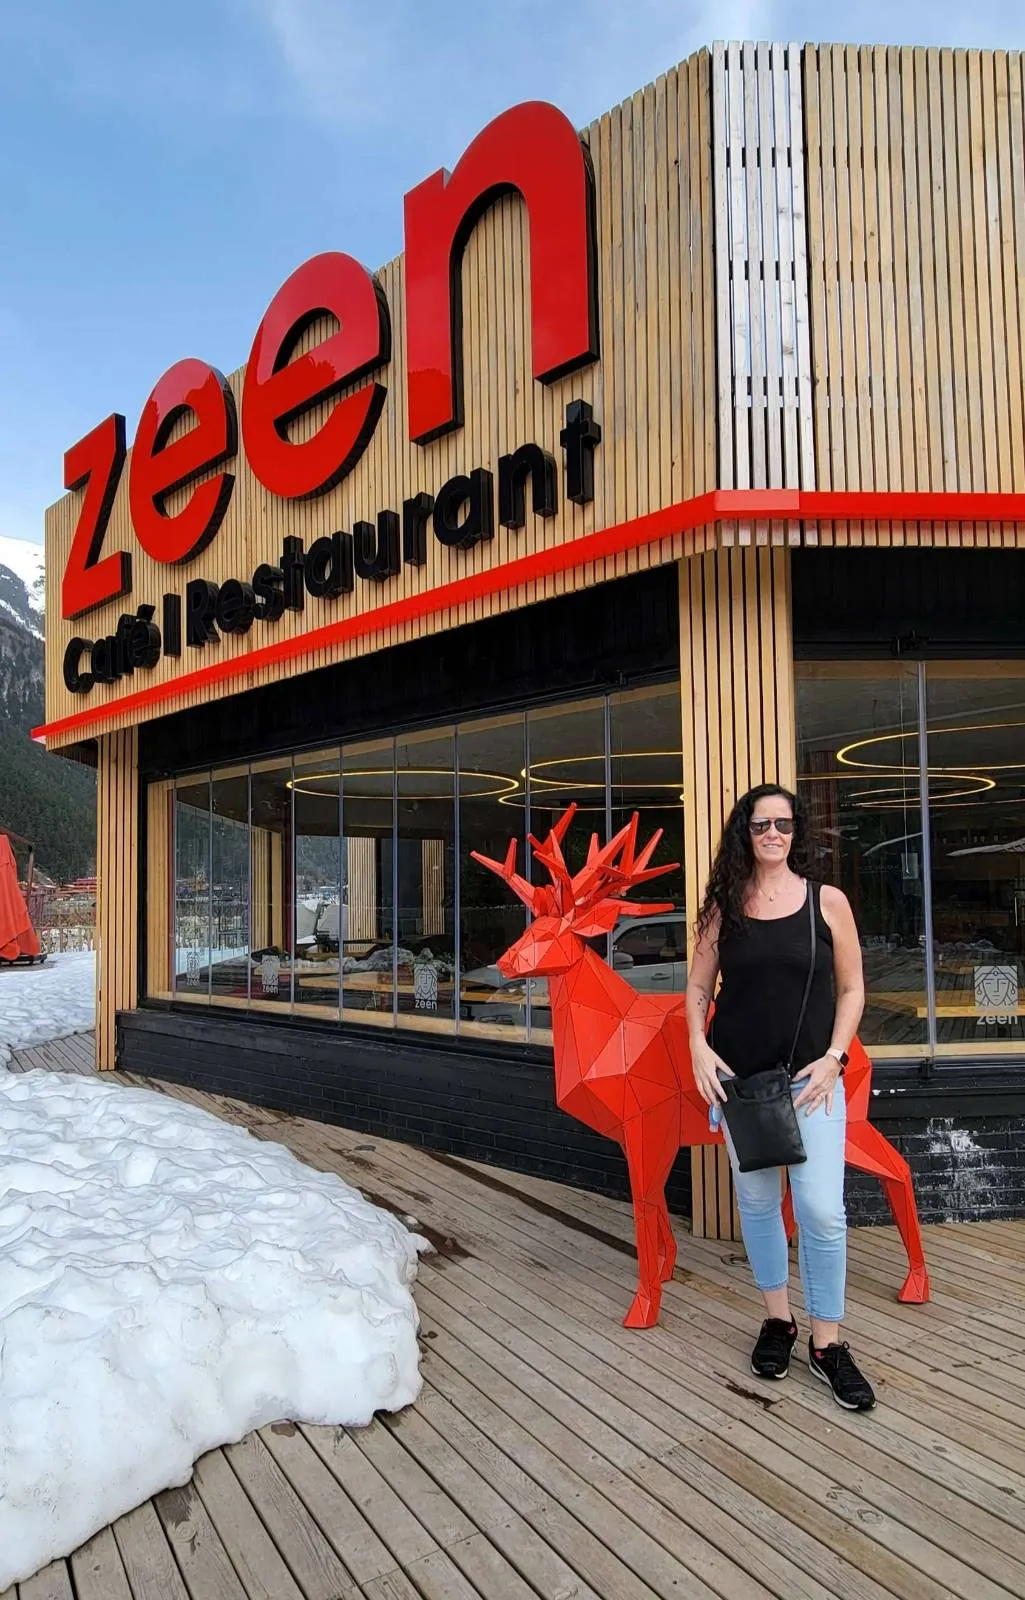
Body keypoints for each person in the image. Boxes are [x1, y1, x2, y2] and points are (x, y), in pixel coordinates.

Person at [686, 783, 875, 1412]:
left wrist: (835, 1058)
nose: (773, 834)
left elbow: (851, 990)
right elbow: (697, 987)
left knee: (822, 1211)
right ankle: (777, 1321)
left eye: (784, 825)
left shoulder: (829, 903)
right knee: (760, 1206)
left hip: (812, 1084)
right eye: (762, 824)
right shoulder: (725, 907)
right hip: (741, 1085)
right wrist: (696, 1044)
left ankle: (827, 1343)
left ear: (797, 833)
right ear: (745, 831)